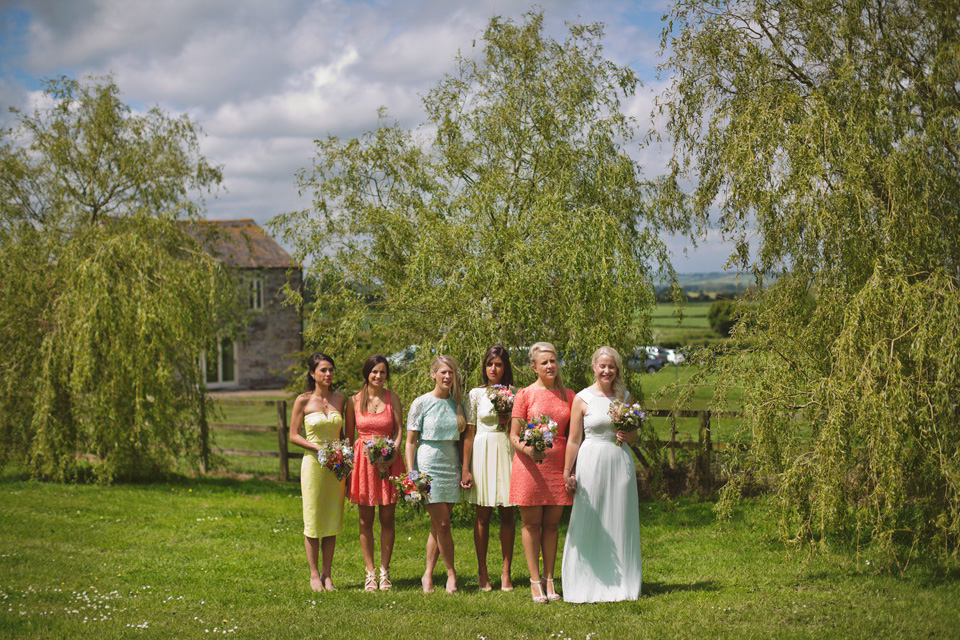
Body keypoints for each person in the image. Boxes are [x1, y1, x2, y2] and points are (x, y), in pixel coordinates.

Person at [561, 346, 643, 602]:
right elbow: (573, 439)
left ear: (617, 369)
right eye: (602, 365)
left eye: (612, 366)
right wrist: (567, 471)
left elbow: (635, 435)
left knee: (619, 517)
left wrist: (631, 436)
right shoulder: (582, 398)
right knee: (590, 517)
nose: (607, 370)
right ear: (594, 367)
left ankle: (623, 582)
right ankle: (586, 579)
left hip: (620, 462)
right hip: (591, 462)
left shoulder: (625, 397)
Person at [509, 342, 574, 603]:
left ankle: (550, 579)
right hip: (530, 467)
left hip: (559, 465)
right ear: (534, 367)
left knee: (551, 525)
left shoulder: (569, 395)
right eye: (544, 362)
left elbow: (574, 434)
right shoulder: (524, 395)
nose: (549, 365)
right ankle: (535, 581)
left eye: (553, 361)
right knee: (531, 523)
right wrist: (528, 450)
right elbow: (513, 435)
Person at [405, 355, 467, 593]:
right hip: (428, 464)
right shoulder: (421, 403)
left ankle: (428, 574)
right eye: (443, 372)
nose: (447, 376)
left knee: (437, 525)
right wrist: (413, 473)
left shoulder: (457, 404)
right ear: (433, 374)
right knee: (443, 522)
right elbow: (410, 442)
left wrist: (463, 468)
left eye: (451, 372)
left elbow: (462, 439)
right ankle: (451, 573)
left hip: (450, 464)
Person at [344, 354, 405, 591]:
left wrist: (391, 453)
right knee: (365, 520)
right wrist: (347, 468)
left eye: (382, 372)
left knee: (387, 519)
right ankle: (369, 572)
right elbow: (350, 437)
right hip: (363, 464)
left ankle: (384, 571)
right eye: (374, 372)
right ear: (366, 373)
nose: (378, 376)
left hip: (389, 462)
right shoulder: (353, 401)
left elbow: (399, 430)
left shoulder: (393, 398)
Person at [289, 352, 347, 592]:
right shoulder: (302, 401)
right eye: (323, 370)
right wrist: (317, 448)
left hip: (335, 468)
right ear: (312, 373)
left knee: (332, 518)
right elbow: (293, 435)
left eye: (331, 369)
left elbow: (344, 436)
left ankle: (328, 574)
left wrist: (343, 455)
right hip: (313, 465)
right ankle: (314, 575)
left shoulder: (340, 399)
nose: (328, 374)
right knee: (313, 518)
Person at [462, 345, 517, 592]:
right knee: (482, 514)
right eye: (489, 364)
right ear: (484, 367)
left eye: (498, 364)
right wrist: (465, 468)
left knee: (507, 513)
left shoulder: (515, 393)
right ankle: (482, 571)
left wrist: (508, 419)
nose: (493, 369)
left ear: (505, 368)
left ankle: (506, 572)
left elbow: (520, 428)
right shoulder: (475, 394)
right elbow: (469, 433)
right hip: (482, 450)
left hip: (506, 449)